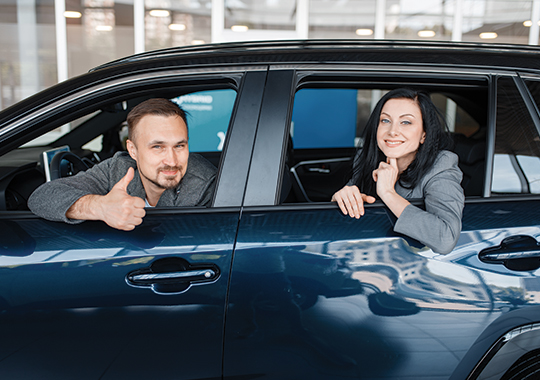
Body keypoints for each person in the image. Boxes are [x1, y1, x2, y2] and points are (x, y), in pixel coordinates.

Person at [28, 98, 217, 231]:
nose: (172, 161)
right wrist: (100, 207)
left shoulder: (207, 188)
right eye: (158, 147)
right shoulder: (119, 168)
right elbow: (42, 197)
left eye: (179, 146)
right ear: (133, 150)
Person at [332, 88, 464, 254]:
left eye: (406, 122)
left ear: (424, 134)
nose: (392, 131)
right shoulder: (369, 159)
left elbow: (445, 238)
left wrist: (388, 193)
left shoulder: (440, 166)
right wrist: (340, 198)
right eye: (385, 121)